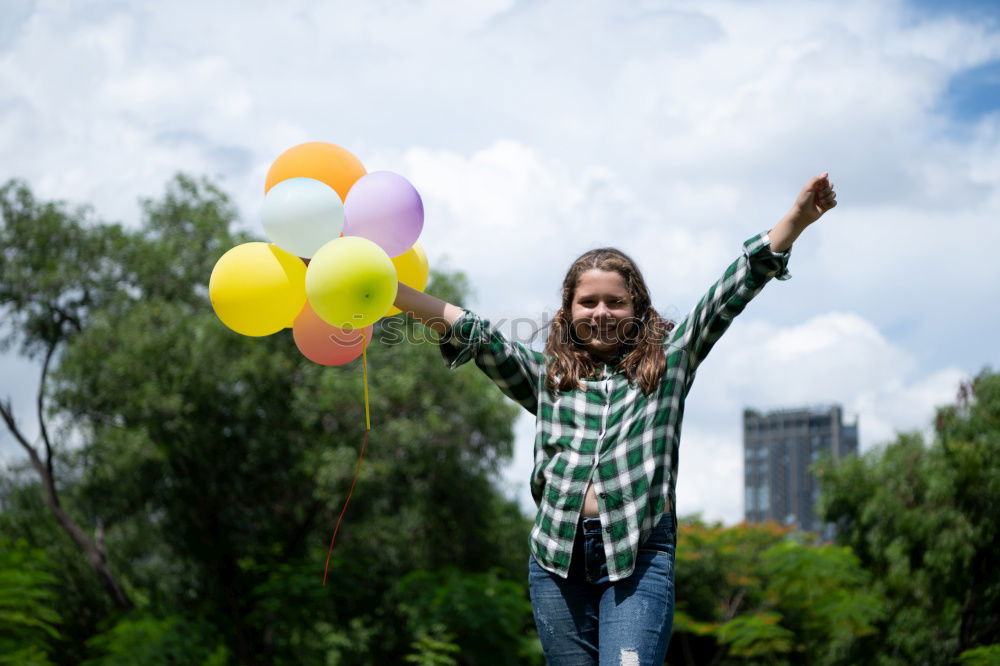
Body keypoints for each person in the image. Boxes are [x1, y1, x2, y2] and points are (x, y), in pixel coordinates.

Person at [393, 173, 837, 665]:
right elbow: (472, 330)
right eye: (588, 301)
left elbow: (729, 292)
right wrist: (385, 287)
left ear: (637, 309)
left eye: (615, 301)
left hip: (639, 555)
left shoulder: (671, 362)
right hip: (555, 561)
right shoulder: (546, 376)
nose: (601, 312)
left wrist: (794, 221)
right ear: (567, 311)